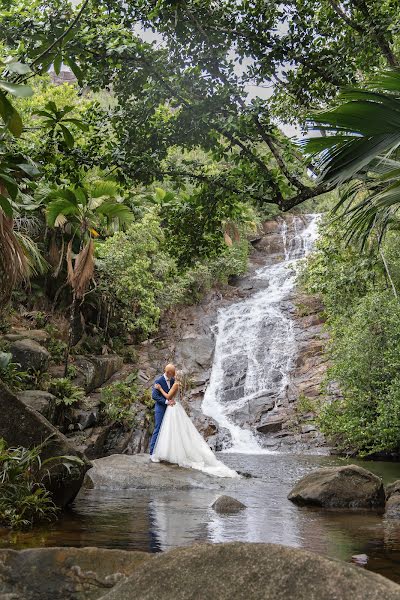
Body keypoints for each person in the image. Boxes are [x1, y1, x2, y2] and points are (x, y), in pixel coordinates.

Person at [151, 370, 238, 478]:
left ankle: (172, 453)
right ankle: (172, 452)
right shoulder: (180, 384)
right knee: (177, 430)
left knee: (172, 430)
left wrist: (160, 389)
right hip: (176, 407)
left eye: (176, 374)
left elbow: (168, 396)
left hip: (172, 408)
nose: (174, 375)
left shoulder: (176, 384)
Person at [150, 363, 176, 462]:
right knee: (158, 428)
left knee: (168, 430)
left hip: (170, 409)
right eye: (173, 373)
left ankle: (165, 452)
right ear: (168, 372)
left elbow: (171, 394)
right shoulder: (158, 381)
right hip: (160, 409)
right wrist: (166, 402)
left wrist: (172, 401)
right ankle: (152, 453)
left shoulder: (173, 380)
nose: (174, 375)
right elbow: (154, 396)